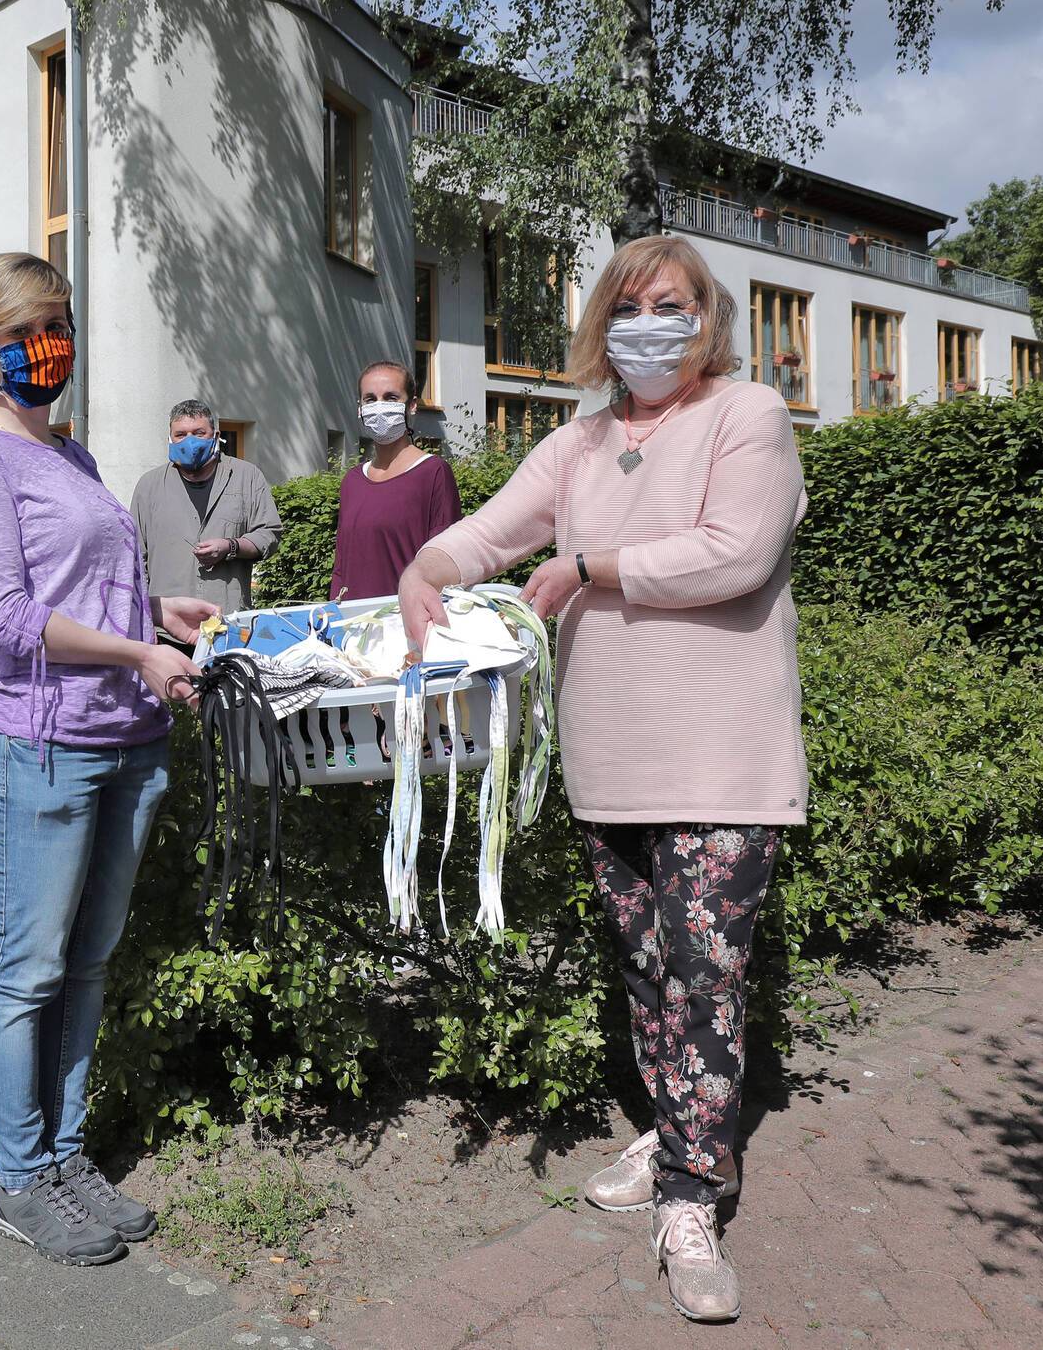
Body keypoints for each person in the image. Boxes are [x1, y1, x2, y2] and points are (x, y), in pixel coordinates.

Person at [396, 235, 806, 1323]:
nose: (646, 324)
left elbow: (734, 552)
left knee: (706, 972)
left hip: (720, 754)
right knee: (645, 970)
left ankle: (688, 1198)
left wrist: (585, 568)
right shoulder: (578, 446)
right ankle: (679, 1131)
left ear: (704, 315)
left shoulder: (745, 415)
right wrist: (421, 570)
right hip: (610, 755)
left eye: (668, 304)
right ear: (598, 326)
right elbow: (483, 535)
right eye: (625, 307)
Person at [0, 253, 215, 1267]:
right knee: (25, 971)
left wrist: (157, 613)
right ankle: (18, 1180)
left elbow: (95, 591)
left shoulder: (79, 458)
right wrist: (140, 651)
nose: (45, 343)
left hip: (127, 745)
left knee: (86, 966)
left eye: (55, 321)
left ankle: (63, 1152)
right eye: (22, 331)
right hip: (40, 749)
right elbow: (6, 624)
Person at [129, 399, 284, 618]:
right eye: (181, 435)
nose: (189, 442)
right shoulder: (149, 486)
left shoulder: (247, 476)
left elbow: (270, 534)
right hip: (166, 626)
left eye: (199, 433)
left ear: (215, 435)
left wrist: (231, 547)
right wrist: (141, 619)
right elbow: (135, 557)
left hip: (228, 621)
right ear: (170, 439)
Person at [327, 361, 460, 600]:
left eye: (390, 397)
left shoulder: (433, 473)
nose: (379, 407)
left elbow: (446, 563)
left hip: (406, 623)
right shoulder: (352, 481)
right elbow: (341, 567)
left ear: (412, 405)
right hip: (353, 624)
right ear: (360, 409)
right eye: (370, 399)